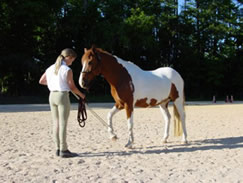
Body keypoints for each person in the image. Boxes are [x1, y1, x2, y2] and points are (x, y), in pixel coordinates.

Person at [39, 48, 85, 158]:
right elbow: (72, 86)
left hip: (52, 96)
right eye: (72, 60)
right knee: (63, 123)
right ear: (68, 57)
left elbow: (41, 81)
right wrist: (81, 95)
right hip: (62, 96)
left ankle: (58, 148)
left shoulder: (50, 68)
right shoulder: (66, 69)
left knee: (56, 123)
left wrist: (53, 83)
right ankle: (64, 149)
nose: (72, 62)